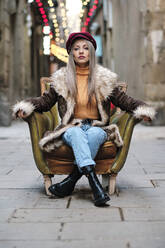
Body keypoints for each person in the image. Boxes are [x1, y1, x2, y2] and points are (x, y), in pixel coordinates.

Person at [13, 32, 155, 207]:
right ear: (71, 53)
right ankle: (95, 186)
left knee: (94, 134)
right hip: (70, 128)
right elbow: (44, 102)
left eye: (85, 48)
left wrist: (144, 110)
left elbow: (126, 102)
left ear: (92, 52)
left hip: (98, 127)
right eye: (76, 48)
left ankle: (70, 181)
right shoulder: (62, 79)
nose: (81, 51)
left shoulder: (105, 79)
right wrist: (25, 107)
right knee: (76, 133)